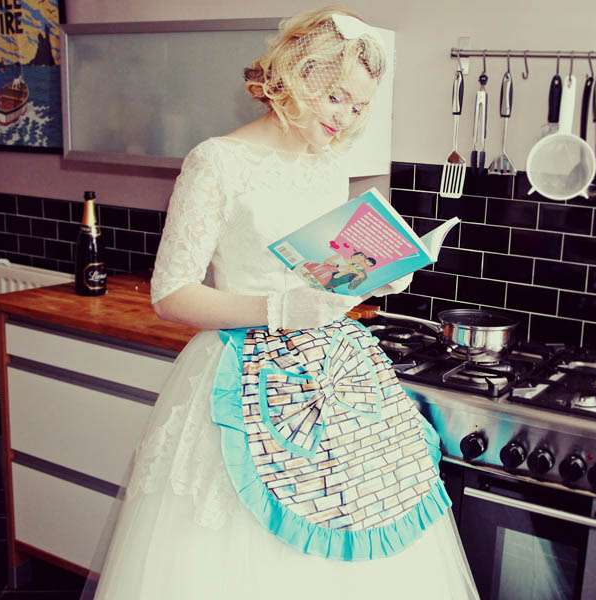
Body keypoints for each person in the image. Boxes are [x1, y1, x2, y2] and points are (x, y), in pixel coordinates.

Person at [82, 7, 478, 600]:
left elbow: (323, 273)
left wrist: (376, 278)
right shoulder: (216, 161)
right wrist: (276, 311)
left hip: (330, 376)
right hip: (241, 371)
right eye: (336, 98)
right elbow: (171, 294)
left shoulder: (328, 162)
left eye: (359, 106)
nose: (346, 118)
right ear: (295, 77)